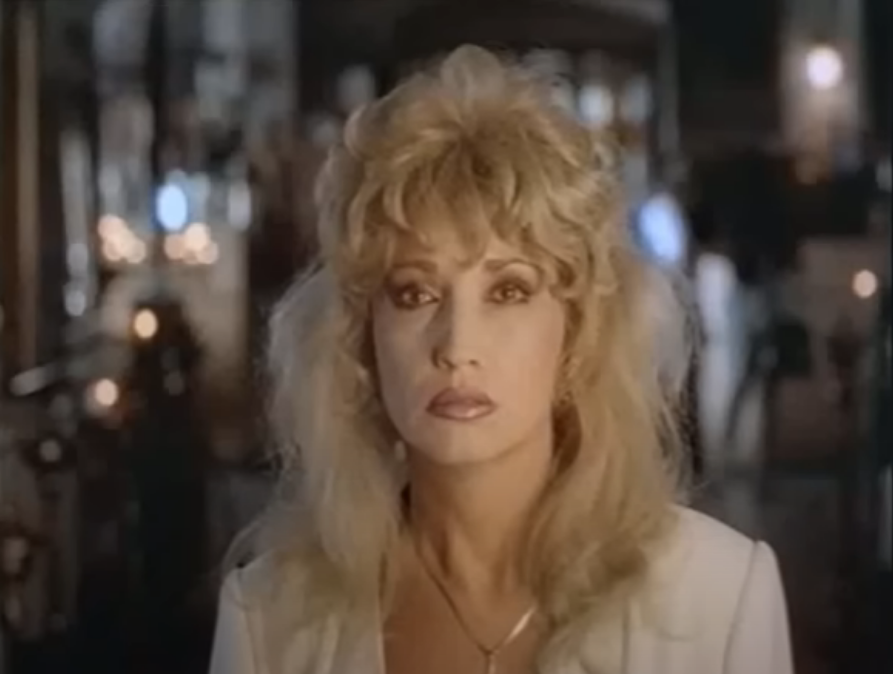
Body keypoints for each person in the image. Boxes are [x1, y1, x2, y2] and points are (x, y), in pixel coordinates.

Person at [209, 46, 793, 674]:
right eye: (415, 293)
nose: (457, 347)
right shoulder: (270, 619)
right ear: (361, 339)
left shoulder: (720, 597)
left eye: (509, 291)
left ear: (577, 333)